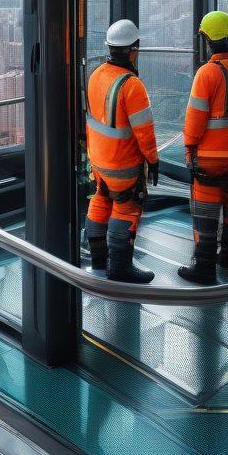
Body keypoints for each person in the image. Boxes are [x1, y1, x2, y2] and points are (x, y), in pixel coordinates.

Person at [84, 19, 160, 284]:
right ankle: (120, 266)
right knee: (126, 208)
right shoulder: (131, 85)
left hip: (98, 162)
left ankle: (97, 260)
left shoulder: (95, 76)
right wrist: (153, 160)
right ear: (133, 49)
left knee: (101, 199)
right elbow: (144, 132)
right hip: (123, 164)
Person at [179, 10, 228, 285]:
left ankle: (204, 266)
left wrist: (189, 150)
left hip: (210, 158)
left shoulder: (206, 73)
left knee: (205, 211)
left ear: (206, 38)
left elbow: (195, 119)